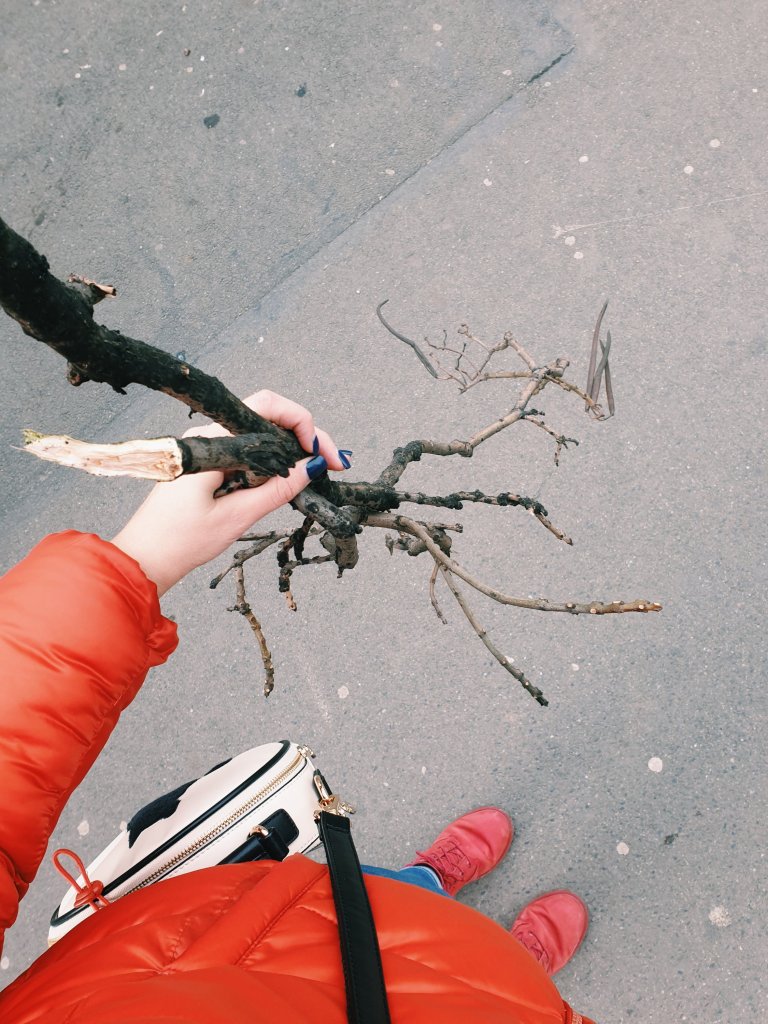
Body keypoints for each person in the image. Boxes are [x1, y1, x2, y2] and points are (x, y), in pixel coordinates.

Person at [0, 390, 595, 1023]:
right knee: (486, 991)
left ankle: (427, 882)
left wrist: (136, 563)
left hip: (248, 940)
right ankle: (515, 967)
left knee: (368, 907)